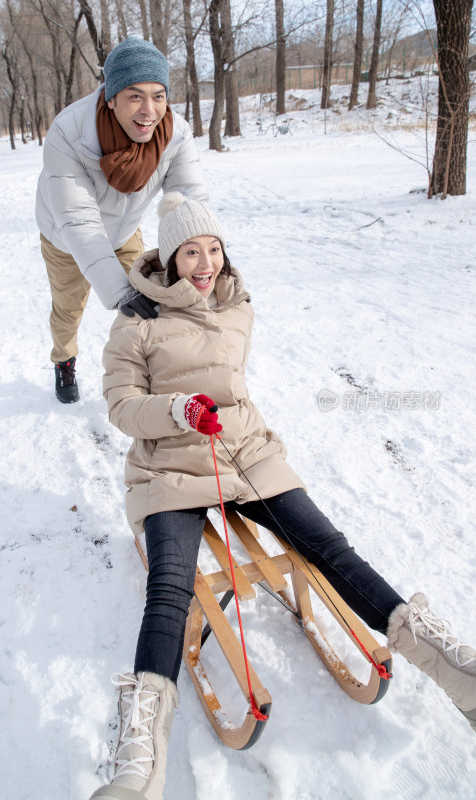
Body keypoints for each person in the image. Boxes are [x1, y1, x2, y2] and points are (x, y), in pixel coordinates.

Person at [94, 193, 476, 800]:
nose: (205, 262)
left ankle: (446, 663)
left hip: (245, 454)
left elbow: (234, 388)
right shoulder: (136, 320)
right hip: (170, 462)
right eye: (191, 251)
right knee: (169, 586)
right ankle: (142, 757)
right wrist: (175, 408)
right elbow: (119, 406)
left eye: (213, 248)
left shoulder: (237, 304)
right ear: (168, 259)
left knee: (328, 545)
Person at [36, 37, 207, 404]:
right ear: (111, 98)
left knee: (153, 299)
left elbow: (188, 203)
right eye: (135, 96)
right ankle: (64, 359)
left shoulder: (174, 135)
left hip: (125, 231)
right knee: (69, 307)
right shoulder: (69, 133)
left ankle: (151, 371)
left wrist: (206, 263)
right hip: (65, 237)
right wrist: (119, 291)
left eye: (158, 95)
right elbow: (78, 220)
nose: (149, 110)